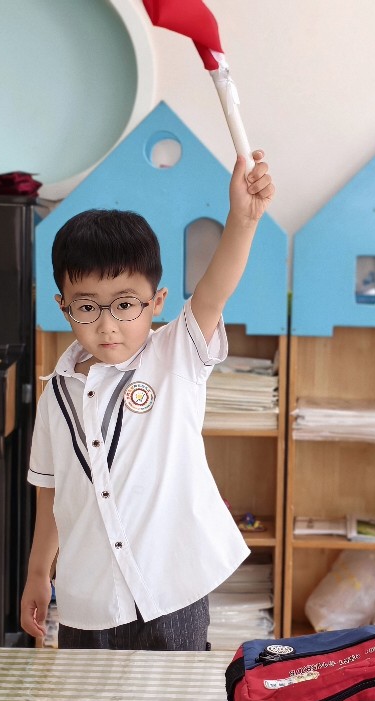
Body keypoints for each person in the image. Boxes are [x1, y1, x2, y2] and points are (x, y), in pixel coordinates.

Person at [20, 150, 275, 650]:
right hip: (88, 600)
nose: (107, 324)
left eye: (125, 304)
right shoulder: (56, 394)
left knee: (176, 697)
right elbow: (50, 493)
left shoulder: (174, 354)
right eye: (87, 306)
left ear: (156, 302)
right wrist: (37, 572)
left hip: (172, 591)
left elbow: (213, 292)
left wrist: (243, 221)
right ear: (63, 307)